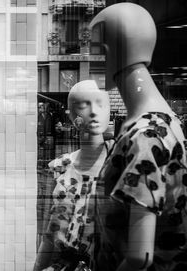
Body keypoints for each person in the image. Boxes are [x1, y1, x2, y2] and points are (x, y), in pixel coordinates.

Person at [90, 3, 187, 271]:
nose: (88, 58)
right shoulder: (166, 122)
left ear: (107, 51)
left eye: (93, 49)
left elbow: (138, 257)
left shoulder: (146, 135)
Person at [34, 80, 113, 271]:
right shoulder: (60, 167)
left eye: (100, 104)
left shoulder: (121, 163)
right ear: (72, 116)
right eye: (83, 105)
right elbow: (48, 235)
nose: (93, 111)